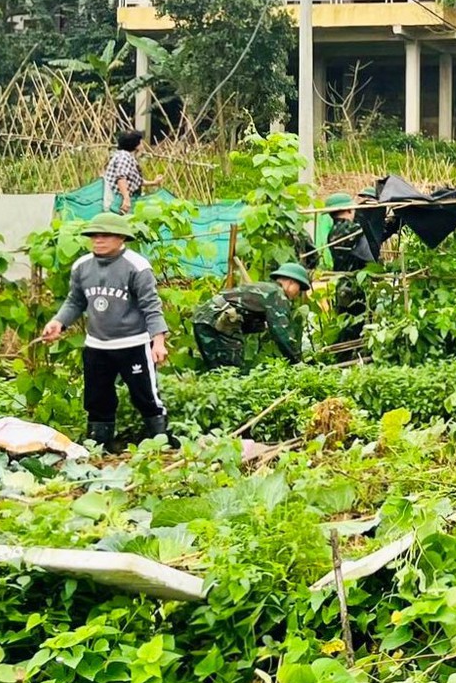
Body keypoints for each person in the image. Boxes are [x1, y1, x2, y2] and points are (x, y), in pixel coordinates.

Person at [40, 212, 171, 449]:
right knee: (97, 398)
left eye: (105, 235)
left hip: (133, 344)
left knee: (145, 396)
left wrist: (158, 341)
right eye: (94, 236)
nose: (98, 240)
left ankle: (160, 443)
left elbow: (151, 306)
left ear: (121, 238)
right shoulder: (82, 266)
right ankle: (99, 445)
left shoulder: (137, 267)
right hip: (97, 346)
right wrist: (58, 322)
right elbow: (75, 301)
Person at [192, 263, 311, 371]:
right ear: (291, 283)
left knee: (217, 370)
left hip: (203, 317)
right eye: (299, 288)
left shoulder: (265, 289)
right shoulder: (277, 295)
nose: (298, 294)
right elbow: (282, 334)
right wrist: (298, 362)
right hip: (220, 320)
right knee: (231, 372)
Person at [321, 193, 378, 341]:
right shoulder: (350, 229)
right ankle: (350, 358)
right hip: (354, 286)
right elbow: (370, 233)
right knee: (356, 327)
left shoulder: (334, 231)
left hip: (342, 285)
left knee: (346, 324)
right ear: (349, 210)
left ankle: (344, 358)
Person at [101, 129, 156, 215]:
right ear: (136, 145)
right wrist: (126, 199)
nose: (142, 145)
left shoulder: (126, 156)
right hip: (118, 200)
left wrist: (154, 182)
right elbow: (121, 178)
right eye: (141, 142)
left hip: (120, 199)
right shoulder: (124, 157)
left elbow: (136, 181)